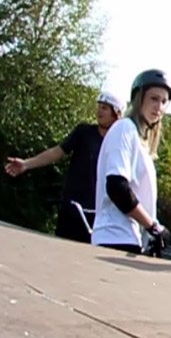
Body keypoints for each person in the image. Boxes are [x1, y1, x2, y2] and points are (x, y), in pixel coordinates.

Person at [5, 90, 125, 243]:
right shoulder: (84, 132)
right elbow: (57, 152)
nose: (99, 111)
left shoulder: (119, 142)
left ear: (116, 114)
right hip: (73, 208)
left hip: (100, 216)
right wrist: (26, 164)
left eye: (105, 108)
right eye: (99, 106)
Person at [91, 70, 171, 254]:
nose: (159, 107)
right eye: (154, 98)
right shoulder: (124, 128)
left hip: (130, 238)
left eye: (164, 101)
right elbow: (117, 187)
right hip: (114, 236)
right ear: (138, 98)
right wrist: (153, 226)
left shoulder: (140, 140)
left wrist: (153, 229)